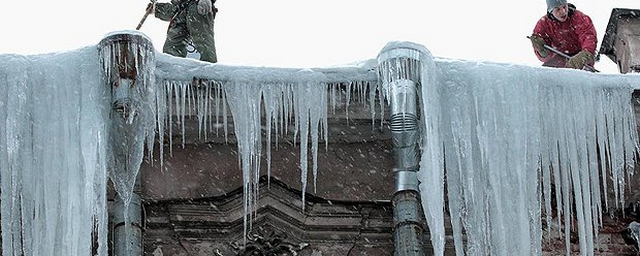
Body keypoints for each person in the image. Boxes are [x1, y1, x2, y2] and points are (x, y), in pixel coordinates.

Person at [529, 0, 597, 70]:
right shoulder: (544, 24)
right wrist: (542, 52)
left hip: (580, 56)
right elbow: (545, 52)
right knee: (546, 75)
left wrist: (586, 54)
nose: (563, 12)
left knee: (583, 76)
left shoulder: (579, 17)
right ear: (551, 11)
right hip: (560, 57)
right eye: (558, 9)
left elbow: (588, 36)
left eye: (564, 7)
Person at [147, 0, 218, 63]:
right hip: (179, 14)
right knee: (171, 49)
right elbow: (174, 9)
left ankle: (209, 73)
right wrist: (156, 8)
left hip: (196, 6)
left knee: (203, 42)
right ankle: (172, 71)